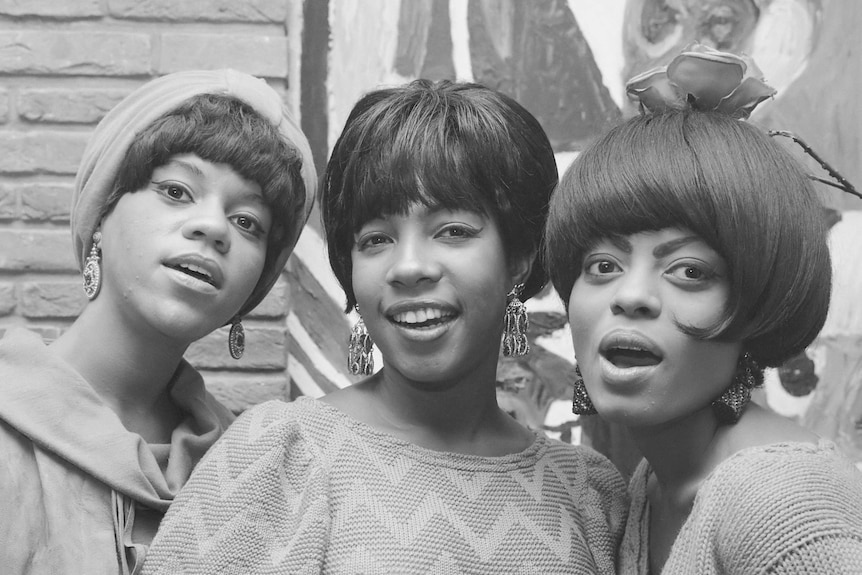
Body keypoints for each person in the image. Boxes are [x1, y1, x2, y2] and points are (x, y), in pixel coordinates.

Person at [142, 79, 628, 574]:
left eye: (452, 231)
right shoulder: (281, 454)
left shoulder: (589, 491)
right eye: (376, 239)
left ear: (520, 258)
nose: (408, 267)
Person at [544, 45, 862, 574]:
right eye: (602, 266)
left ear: (759, 298)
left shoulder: (783, 507)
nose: (630, 295)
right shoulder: (654, 481)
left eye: (690, 271)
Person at [0, 69, 316, 575]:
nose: (212, 227)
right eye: (176, 191)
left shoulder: (247, 463)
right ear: (101, 212)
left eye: (247, 222)